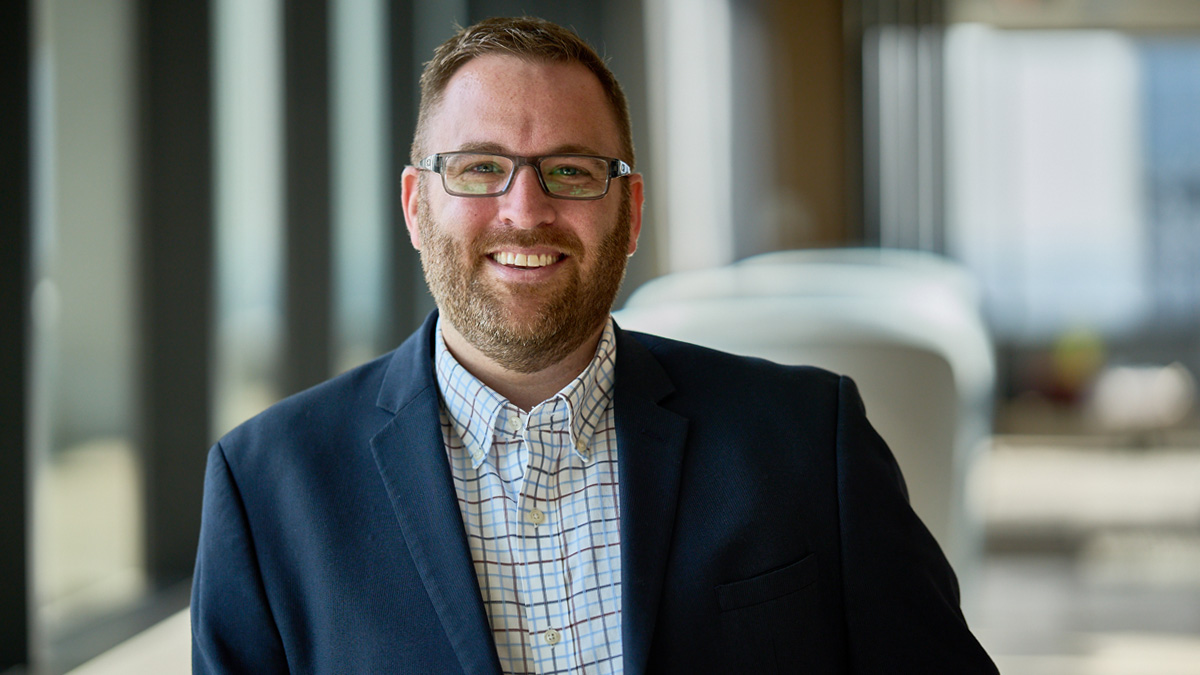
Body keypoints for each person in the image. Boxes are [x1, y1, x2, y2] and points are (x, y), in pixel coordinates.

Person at [191, 16, 998, 675]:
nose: (525, 210)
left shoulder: (806, 437)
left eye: (571, 172)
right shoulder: (268, 486)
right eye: (479, 168)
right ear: (415, 204)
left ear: (631, 209)